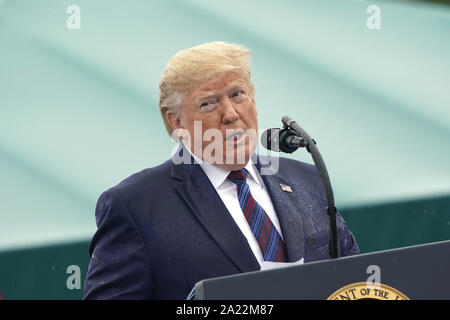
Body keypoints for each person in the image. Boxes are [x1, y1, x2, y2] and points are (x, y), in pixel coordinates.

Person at [83, 41, 359, 300]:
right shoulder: (135, 207)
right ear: (177, 121)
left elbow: (355, 283)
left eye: (238, 94)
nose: (229, 114)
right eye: (208, 103)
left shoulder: (308, 180)